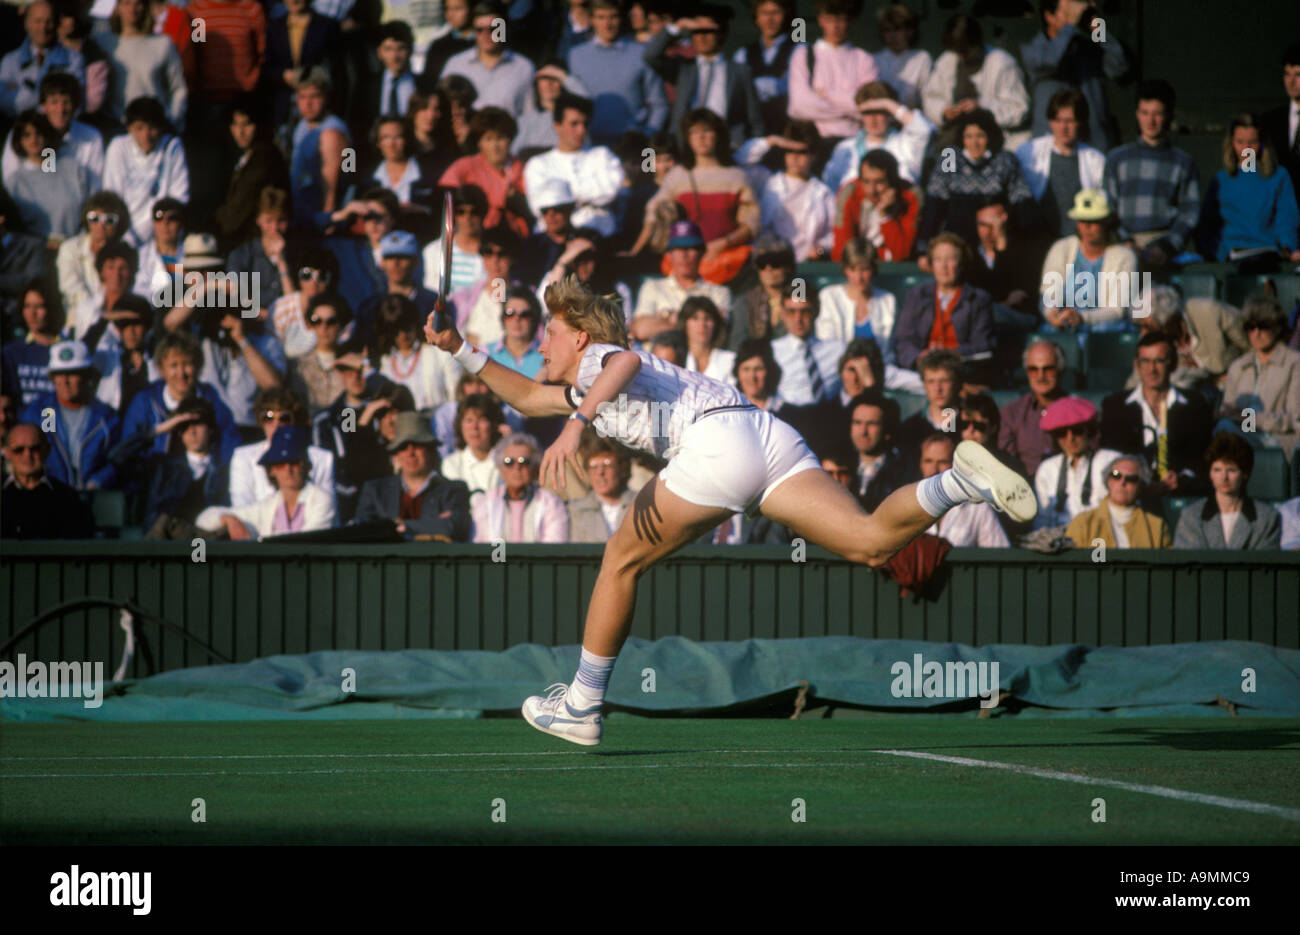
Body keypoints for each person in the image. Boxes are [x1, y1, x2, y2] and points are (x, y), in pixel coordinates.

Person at [425, 273, 1037, 743]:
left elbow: (624, 361)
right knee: (870, 542)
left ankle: (583, 704)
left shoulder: (599, 360)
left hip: (714, 444)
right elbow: (531, 398)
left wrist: (575, 426)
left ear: (580, 335)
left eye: (549, 333)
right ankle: (958, 482)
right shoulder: (586, 375)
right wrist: (459, 348)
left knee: (619, 560)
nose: (540, 342)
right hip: (764, 433)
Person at [631, 109, 758, 282]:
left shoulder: (737, 176)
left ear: (718, 135)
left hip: (728, 265)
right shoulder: (678, 175)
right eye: (694, 132)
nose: (701, 137)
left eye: (706, 131)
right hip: (685, 267)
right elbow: (653, 213)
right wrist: (635, 250)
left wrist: (723, 244)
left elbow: (751, 224)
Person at [1100, 332, 1215, 502]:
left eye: (1159, 361)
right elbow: (1110, 457)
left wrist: (1182, 478)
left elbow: (1203, 456)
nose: (1152, 369)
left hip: (1181, 493)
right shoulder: (1115, 406)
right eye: (1145, 361)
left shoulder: (1195, 405)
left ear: (1173, 364)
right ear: (1137, 365)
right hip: (1131, 494)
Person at [1102, 80, 1200, 270]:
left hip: (1164, 248)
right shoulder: (1117, 159)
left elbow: (1189, 214)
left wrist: (1167, 246)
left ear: (1168, 115)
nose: (1150, 121)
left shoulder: (1183, 162)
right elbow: (1108, 208)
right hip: (1124, 247)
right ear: (1137, 114)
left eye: (1157, 114)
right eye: (1145, 113)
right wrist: (1126, 242)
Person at [917, 108, 1036, 256]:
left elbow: (1023, 205)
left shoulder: (1005, 159)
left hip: (993, 242)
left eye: (980, 136)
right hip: (958, 243)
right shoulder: (950, 157)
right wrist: (923, 247)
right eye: (969, 136)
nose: (974, 143)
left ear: (990, 137)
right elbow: (934, 206)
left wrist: (1029, 245)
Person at [642, 4, 762, 149]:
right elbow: (651, 55)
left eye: (708, 31)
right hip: (686, 147)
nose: (701, 37)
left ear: (722, 33)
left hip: (728, 148)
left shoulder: (740, 72)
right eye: (696, 31)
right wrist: (679, 26)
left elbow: (755, 119)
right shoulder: (683, 68)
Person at [1021, 0, 1129, 153]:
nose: (1076, 17)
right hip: (1050, 148)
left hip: (1093, 147)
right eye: (1069, 13)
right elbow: (1050, 61)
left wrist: (1097, 25)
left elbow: (1119, 66)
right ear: (1049, 16)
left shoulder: (1088, 47)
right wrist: (1069, 26)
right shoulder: (1033, 48)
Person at [195, 424, 335, 538]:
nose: (288, 469)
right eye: (280, 464)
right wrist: (228, 519)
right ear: (272, 470)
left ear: (305, 464)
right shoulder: (269, 506)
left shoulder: (321, 500)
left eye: (295, 462)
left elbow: (306, 544)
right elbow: (203, 519)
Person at [1196, 113, 1300, 266]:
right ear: (1231, 143)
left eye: (1252, 142)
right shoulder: (1221, 179)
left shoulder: (1278, 176)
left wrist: (1288, 248)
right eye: (1240, 142)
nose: (1246, 149)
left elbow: (1287, 219)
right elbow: (1207, 225)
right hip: (1230, 258)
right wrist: (1215, 254)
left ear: (1263, 143)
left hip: (1269, 256)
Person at [20, 339, 120, 490]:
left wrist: (97, 482)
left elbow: (117, 460)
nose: (65, 381)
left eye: (73, 374)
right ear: (52, 378)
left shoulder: (105, 418)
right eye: (59, 374)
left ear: (87, 377)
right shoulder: (43, 412)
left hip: (93, 498)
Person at [354, 411, 472, 539]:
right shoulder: (375, 490)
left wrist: (401, 526)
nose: (410, 453)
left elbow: (451, 527)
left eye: (417, 445)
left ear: (430, 449)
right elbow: (362, 530)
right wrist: (429, 525)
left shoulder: (453, 490)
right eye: (403, 447)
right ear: (397, 453)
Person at [523, 93, 625, 237]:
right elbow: (538, 206)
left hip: (600, 234)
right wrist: (586, 198)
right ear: (557, 126)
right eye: (574, 124)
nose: (581, 130)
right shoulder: (538, 164)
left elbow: (611, 191)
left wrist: (564, 197)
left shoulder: (602, 155)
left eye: (585, 124)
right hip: (554, 240)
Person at [787, 0, 878, 161]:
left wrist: (826, 94)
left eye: (841, 20)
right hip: (814, 146)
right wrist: (850, 110)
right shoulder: (803, 54)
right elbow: (799, 106)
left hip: (855, 144)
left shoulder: (865, 59)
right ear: (820, 20)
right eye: (829, 19)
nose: (835, 26)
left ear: (851, 21)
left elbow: (869, 106)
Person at [1039, 188, 1140, 332]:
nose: (1086, 227)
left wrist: (1081, 318)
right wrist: (1052, 314)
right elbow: (1047, 296)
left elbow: (1117, 310)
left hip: (1104, 329)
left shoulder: (1125, 256)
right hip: (1064, 325)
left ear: (1106, 223)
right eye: (1082, 220)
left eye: (1093, 221)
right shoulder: (1061, 248)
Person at [567, 1, 666, 146]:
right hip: (590, 147)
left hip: (634, 145)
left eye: (613, 17)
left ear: (622, 19)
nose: (608, 24)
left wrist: (647, 139)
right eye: (601, 17)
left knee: (648, 169)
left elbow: (659, 104)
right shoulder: (575, 55)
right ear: (591, 20)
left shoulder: (642, 53)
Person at [893, 233, 996, 373]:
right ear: (931, 264)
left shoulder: (978, 299)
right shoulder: (917, 295)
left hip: (962, 372)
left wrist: (950, 354)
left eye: (951, 259)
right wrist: (918, 357)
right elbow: (903, 340)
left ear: (961, 263)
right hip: (923, 373)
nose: (944, 266)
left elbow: (984, 345)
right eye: (938, 259)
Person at [1014, 88, 1107, 239]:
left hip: (1076, 242)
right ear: (1050, 122)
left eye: (1069, 121)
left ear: (1081, 122)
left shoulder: (1095, 160)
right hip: (1039, 239)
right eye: (1057, 120)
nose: (1063, 127)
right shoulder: (1028, 152)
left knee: (1069, 264)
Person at [1218, 294, 1300, 459]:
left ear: (1277, 327)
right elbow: (1228, 410)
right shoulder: (1238, 367)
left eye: (1263, 326)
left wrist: (1250, 418)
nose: (1256, 333)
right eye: (1250, 327)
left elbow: (1294, 419)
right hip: (1241, 436)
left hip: (1278, 441)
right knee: (1222, 427)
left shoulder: (1294, 364)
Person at [102, 96, 190, 246]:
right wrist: (126, 239)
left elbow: (179, 197)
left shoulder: (172, 146)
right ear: (129, 128)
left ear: (161, 127)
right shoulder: (118, 147)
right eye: (139, 128)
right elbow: (112, 197)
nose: (146, 135)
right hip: (124, 236)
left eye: (152, 128)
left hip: (161, 236)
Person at [228, 387, 335, 510]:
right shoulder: (243, 457)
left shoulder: (322, 459)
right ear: (260, 421)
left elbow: (329, 508)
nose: (276, 424)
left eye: (284, 418)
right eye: (268, 417)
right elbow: (241, 507)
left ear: (296, 420)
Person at [1173, 432, 1281, 550]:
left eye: (1231, 470)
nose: (1224, 477)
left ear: (1244, 474)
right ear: (1210, 474)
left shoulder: (1266, 518)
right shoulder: (1191, 517)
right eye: (1217, 470)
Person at [630, 221, 732, 342]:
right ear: (669, 254)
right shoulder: (652, 287)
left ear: (701, 253)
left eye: (690, 248)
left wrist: (668, 318)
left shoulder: (719, 292)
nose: (684, 255)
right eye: (678, 249)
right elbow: (641, 330)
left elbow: (717, 333)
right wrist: (694, 322)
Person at [822, 80, 932, 192]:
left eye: (879, 111)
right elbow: (830, 189)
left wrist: (887, 104)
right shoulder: (844, 149)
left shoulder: (905, 145)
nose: (873, 119)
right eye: (867, 112)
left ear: (890, 113)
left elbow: (923, 130)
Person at [1, 72, 104, 190]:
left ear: (75, 105)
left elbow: (94, 186)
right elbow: (9, 179)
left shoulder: (91, 137)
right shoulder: (23, 133)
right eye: (54, 102)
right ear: (43, 106)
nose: (60, 109)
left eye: (66, 102)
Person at [214, 96, 291, 249]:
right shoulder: (249, 156)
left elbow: (239, 209)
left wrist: (214, 228)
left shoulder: (264, 158)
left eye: (246, 124)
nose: (240, 131)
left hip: (257, 243)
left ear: (260, 126)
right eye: (235, 124)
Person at [1033, 395, 1120, 529]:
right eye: (1062, 433)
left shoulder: (1109, 461)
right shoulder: (1047, 469)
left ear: (1088, 431)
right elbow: (1042, 519)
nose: (1070, 438)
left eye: (1077, 431)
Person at [7, 109, 92, 245]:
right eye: (26, 135)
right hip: (33, 254)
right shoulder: (14, 183)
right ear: (19, 140)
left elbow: (90, 210)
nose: (33, 140)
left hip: (75, 246)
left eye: (38, 133)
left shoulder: (73, 169)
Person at [99, 0, 187, 131]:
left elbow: (178, 88)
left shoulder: (163, 44)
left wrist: (171, 120)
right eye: (127, 3)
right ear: (118, 7)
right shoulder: (103, 43)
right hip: (116, 127)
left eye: (138, 4)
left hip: (154, 129)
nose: (132, 9)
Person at [756, 121, 835, 263]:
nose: (795, 157)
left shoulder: (824, 192)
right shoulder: (768, 185)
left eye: (802, 152)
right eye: (790, 151)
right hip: (774, 263)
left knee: (800, 285)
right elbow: (741, 159)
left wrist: (821, 248)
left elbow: (834, 232)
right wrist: (773, 141)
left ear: (813, 155)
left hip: (810, 266)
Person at [440, 1, 536, 118]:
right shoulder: (455, 65)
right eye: (480, 30)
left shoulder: (524, 67)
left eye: (493, 29)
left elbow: (530, 117)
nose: (486, 34)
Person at [1, 422, 94, 539]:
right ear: (7, 453)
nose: (27, 455)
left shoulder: (67, 498)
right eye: (19, 450)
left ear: (47, 450)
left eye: (35, 449)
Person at [471, 432, 569, 542]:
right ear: (501, 468)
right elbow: (480, 543)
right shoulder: (486, 502)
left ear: (534, 467)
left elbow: (554, 546)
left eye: (524, 461)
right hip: (497, 559)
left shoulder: (551, 503)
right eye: (509, 462)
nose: (517, 467)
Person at [288, 68, 351, 232]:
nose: (307, 103)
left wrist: (328, 220)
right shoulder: (302, 126)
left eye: (314, 96)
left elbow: (333, 184)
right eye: (302, 97)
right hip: (301, 212)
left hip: (320, 220)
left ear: (326, 98)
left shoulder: (332, 131)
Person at [374, 293, 460, 412]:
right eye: (395, 330)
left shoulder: (440, 353)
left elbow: (454, 400)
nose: (402, 335)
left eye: (406, 327)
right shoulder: (385, 362)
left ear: (415, 322)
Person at [919, 433, 1008, 547]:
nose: (934, 469)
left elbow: (999, 553)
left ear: (955, 465)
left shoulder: (977, 508)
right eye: (928, 461)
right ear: (921, 464)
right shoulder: (908, 507)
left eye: (942, 462)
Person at [831, 148, 919, 263]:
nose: (871, 190)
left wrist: (886, 216)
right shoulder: (848, 194)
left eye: (879, 182)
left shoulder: (910, 197)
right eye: (866, 182)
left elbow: (901, 254)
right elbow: (841, 254)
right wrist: (883, 255)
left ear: (893, 182)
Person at [0, 1, 85, 119]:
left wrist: (24, 92)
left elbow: (77, 105)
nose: (43, 27)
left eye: (48, 21)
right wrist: (51, 100)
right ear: (27, 23)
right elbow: (5, 104)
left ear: (56, 23)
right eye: (37, 21)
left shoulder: (74, 59)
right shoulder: (9, 61)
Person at [1065, 454, 1170, 549]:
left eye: (1131, 479)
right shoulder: (1083, 523)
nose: (1122, 482)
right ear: (1108, 481)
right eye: (1116, 475)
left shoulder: (1157, 527)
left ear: (1141, 485)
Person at [264, 0, 339, 133]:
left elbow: (337, 70)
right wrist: (282, 75)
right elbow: (266, 68)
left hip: (317, 106)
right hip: (284, 107)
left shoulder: (327, 26)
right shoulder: (273, 28)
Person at [817, 238, 897, 359]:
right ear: (845, 270)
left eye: (864, 269)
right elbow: (828, 345)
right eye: (853, 269)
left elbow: (888, 352)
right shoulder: (829, 296)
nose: (859, 277)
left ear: (873, 269)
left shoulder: (888, 300)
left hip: (880, 371)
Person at [999, 339, 1067, 478]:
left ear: (1060, 370)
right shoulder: (1011, 413)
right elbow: (1006, 463)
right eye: (1033, 369)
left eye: (1048, 369)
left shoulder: (1078, 411)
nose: (1040, 376)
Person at [54, 191, 131, 313]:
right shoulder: (69, 249)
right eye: (94, 218)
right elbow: (72, 291)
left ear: (119, 224)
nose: (101, 225)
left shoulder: (128, 253)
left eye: (109, 220)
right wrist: (98, 313)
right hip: (77, 317)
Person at [225, 188, 296, 319]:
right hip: (252, 322)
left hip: (286, 321)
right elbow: (236, 294)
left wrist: (281, 261)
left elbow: (293, 304)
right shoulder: (242, 254)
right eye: (268, 221)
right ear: (258, 220)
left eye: (281, 221)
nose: (275, 228)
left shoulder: (295, 254)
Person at [771, 280, 842, 406]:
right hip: (788, 418)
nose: (798, 319)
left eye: (805, 311)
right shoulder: (772, 352)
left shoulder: (838, 350)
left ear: (816, 312)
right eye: (791, 312)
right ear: (782, 314)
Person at [732, 0, 794, 134]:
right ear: (757, 18)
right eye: (764, 13)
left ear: (786, 16)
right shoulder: (743, 54)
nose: (769, 19)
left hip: (787, 128)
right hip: (752, 131)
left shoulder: (799, 50)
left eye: (775, 13)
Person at [88, 293, 156, 416]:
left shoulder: (155, 358)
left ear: (146, 326)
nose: (131, 331)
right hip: (114, 426)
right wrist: (103, 320)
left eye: (136, 324)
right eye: (125, 325)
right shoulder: (109, 356)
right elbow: (81, 352)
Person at [2, 279, 63, 408]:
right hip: (23, 424)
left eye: (39, 306)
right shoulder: (11, 352)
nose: (32, 313)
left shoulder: (65, 350)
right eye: (27, 306)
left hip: (54, 423)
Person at [847, 387, 911, 511]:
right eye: (857, 422)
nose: (863, 431)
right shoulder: (839, 465)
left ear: (887, 430)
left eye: (871, 424)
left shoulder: (905, 471)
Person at [270, 246, 338, 360]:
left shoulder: (336, 312)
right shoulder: (282, 308)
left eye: (322, 276)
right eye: (306, 274)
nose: (313, 282)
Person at [440, 391, 506, 509]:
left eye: (481, 420)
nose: (474, 427)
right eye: (469, 420)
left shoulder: (507, 460)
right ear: (460, 425)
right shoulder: (451, 464)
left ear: (493, 425)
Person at [895, 348, 963, 460]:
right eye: (931, 381)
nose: (938, 388)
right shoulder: (909, 429)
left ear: (956, 383)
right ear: (924, 384)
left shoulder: (969, 427)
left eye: (945, 380)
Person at [290, 292, 352, 415]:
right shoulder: (297, 366)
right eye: (317, 321)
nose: (324, 327)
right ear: (310, 324)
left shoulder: (352, 364)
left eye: (331, 321)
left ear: (341, 324)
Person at [422, 184, 488, 299]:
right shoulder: (432, 251)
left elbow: (500, 295)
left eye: (474, 212)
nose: (467, 218)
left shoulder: (497, 253)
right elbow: (430, 294)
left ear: (483, 214)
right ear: (453, 215)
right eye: (461, 212)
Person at [726, 235, 793, 349]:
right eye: (762, 263)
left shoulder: (799, 291)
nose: (768, 268)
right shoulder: (745, 302)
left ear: (787, 266)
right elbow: (737, 346)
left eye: (775, 262)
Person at [567, 434, 636, 542]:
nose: (600, 472)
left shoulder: (641, 505)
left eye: (607, 465)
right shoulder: (574, 510)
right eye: (593, 466)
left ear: (622, 469)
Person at [1261, 43, 1300, 211]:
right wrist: (1247, 178)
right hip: (1277, 210)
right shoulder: (1269, 120)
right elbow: (1250, 153)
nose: (1291, 82)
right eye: (1287, 74)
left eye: (1298, 75)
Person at [872, 4, 930, 111]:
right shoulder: (874, 60)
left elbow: (927, 98)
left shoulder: (922, 58)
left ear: (910, 31)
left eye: (897, 30)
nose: (892, 36)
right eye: (887, 30)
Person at [486, 287, 545, 378]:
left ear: (534, 319)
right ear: (503, 318)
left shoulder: (547, 356)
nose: (517, 319)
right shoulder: (485, 354)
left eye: (524, 314)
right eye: (510, 313)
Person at [680, 296, 735, 386]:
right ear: (684, 323)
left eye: (708, 318)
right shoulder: (676, 360)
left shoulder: (730, 360)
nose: (702, 324)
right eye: (695, 318)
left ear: (715, 324)